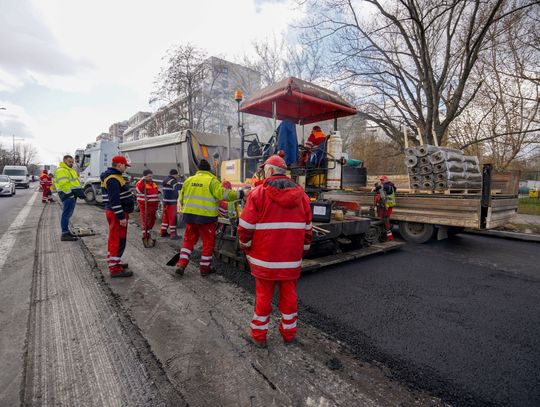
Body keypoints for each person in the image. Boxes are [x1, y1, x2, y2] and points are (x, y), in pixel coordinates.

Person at [237, 154, 313, 347]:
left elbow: (245, 228)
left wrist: (245, 246)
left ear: (269, 171)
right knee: (289, 297)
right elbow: (308, 230)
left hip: (265, 260)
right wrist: (301, 252)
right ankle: (289, 335)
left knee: (263, 297)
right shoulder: (302, 196)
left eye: (264, 169)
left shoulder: (257, 194)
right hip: (291, 260)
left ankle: (259, 336)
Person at [176, 159, 244, 276]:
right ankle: (204, 269)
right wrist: (241, 194)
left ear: (198, 169)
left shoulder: (189, 180)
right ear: (209, 170)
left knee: (188, 241)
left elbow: (181, 198)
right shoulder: (212, 181)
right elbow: (224, 195)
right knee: (208, 243)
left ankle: (181, 265)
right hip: (206, 219)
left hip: (190, 217)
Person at [100, 155, 135, 278]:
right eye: (125, 166)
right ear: (120, 164)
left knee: (119, 239)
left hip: (116, 213)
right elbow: (114, 200)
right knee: (116, 240)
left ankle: (115, 261)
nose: (126, 168)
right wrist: (121, 217)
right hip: (116, 214)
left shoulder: (115, 177)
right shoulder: (112, 178)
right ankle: (114, 268)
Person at [54, 155, 84, 241]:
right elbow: (64, 184)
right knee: (66, 214)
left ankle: (66, 231)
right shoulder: (61, 170)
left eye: (72, 162)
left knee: (68, 214)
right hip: (67, 195)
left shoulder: (70, 170)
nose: (71, 163)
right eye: (69, 162)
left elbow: (74, 183)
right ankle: (64, 234)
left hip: (71, 195)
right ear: (64, 162)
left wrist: (79, 192)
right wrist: (70, 195)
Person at [136, 169, 159, 247]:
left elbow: (155, 192)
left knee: (151, 221)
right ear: (145, 176)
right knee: (145, 221)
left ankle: (148, 235)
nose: (151, 178)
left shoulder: (153, 183)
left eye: (151, 176)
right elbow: (139, 189)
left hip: (153, 206)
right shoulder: (141, 183)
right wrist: (143, 180)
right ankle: (145, 237)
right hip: (145, 206)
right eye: (149, 176)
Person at [160, 169, 183, 239]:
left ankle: (163, 233)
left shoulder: (165, 179)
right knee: (173, 219)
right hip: (171, 203)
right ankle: (173, 234)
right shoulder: (173, 181)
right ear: (175, 174)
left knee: (165, 218)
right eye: (177, 175)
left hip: (165, 202)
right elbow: (177, 189)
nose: (177, 176)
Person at [373, 175, 396, 241]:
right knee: (384, 220)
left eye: (383, 180)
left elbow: (386, 189)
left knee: (385, 220)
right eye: (381, 180)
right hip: (383, 206)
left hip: (387, 206)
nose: (381, 181)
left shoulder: (390, 186)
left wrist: (379, 186)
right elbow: (381, 192)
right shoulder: (383, 187)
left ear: (386, 180)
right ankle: (385, 236)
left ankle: (389, 237)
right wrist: (376, 188)